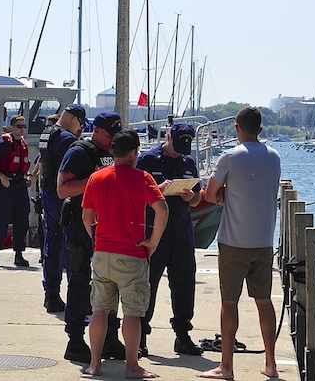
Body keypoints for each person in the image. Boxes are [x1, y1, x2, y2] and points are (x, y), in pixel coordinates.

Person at [198, 107, 281, 380]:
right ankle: (271, 364)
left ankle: (226, 367)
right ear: (260, 130)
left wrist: (224, 190)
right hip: (263, 241)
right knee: (264, 301)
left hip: (234, 241)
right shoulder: (274, 156)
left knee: (230, 302)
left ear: (236, 128)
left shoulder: (230, 157)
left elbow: (209, 195)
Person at [82, 130, 169, 379]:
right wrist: (153, 242)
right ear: (132, 154)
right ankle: (131, 366)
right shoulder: (142, 178)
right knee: (132, 313)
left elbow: (87, 217)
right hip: (132, 254)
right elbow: (162, 210)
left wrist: (96, 239)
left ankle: (95, 364)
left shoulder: (96, 178)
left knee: (99, 310)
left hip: (102, 253)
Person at [57, 111, 125, 363]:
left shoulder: (115, 151)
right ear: (96, 130)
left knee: (110, 281)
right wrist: (95, 180)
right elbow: (62, 189)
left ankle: (109, 338)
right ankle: (75, 340)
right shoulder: (79, 152)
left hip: (108, 225)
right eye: (109, 135)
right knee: (81, 281)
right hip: (81, 225)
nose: (113, 140)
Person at [136, 123, 203, 357]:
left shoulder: (188, 162)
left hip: (182, 232)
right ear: (168, 137)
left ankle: (183, 335)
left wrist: (190, 196)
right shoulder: (147, 160)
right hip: (155, 232)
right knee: (148, 284)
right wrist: (157, 190)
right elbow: (135, 194)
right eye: (177, 145)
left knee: (184, 284)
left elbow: (197, 199)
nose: (180, 151)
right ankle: (140, 336)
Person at [37, 106, 84, 314]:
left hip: (48, 192)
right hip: (63, 196)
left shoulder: (47, 133)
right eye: (80, 124)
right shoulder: (66, 139)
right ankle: (77, 297)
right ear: (74, 120)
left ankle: (51, 294)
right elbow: (77, 163)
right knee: (73, 245)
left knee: (52, 244)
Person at [0, 114, 32, 267]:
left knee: (22, 221)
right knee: (2, 220)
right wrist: (1, 176)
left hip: (20, 187)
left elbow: (24, 164)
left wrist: (28, 175)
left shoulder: (23, 143)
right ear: (11, 127)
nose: (22, 129)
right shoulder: (2, 144)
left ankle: (19, 255)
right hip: (6, 187)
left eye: (24, 126)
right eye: (19, 126)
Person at [31, 114, 59, 265]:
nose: (46, 129)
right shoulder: (46, 149)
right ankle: (44, 255)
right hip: (45, 192)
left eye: (49, 126)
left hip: (51, 192)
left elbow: (39, 171)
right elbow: (37, 171)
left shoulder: (52, 147)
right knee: (44, 228)